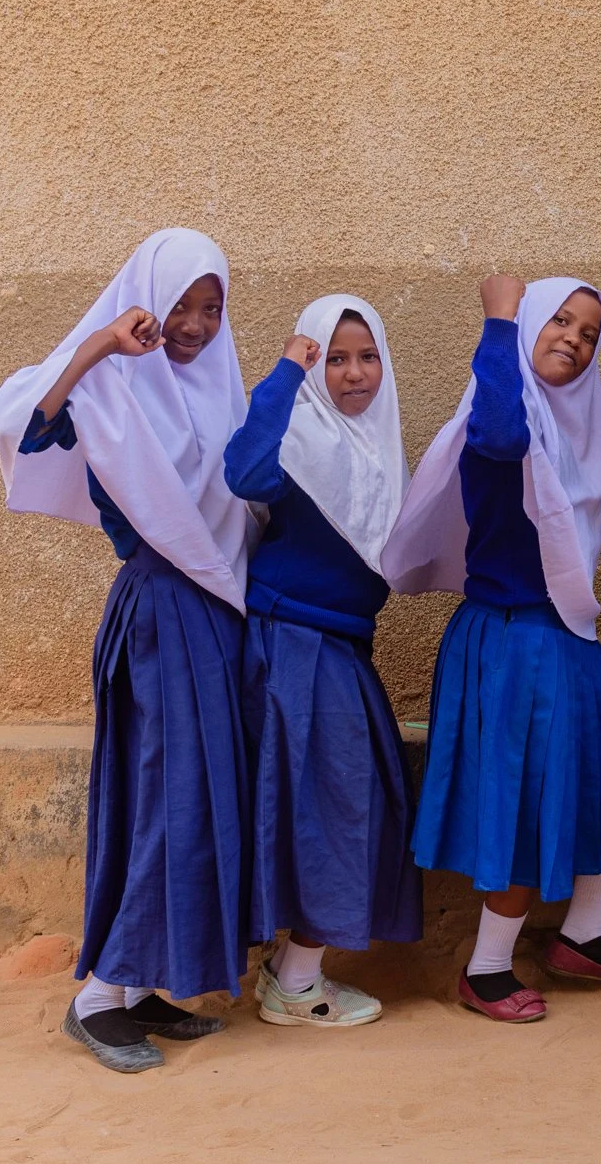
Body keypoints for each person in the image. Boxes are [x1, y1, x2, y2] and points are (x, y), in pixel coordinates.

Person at [0, 228, 253, 1073]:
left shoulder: (218, 395)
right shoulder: (108, 385)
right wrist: (102, 341)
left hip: (217, 614)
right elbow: (24, 426)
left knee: (201, 797)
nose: (194, 325)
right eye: (179, 305)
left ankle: (144, 986)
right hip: (159, 613)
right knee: (162, 797)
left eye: (211, 308)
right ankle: (100, 994)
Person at [389, 275, 601, 1025]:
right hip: (512, 639)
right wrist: (499, 320)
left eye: (588, 333)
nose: (574, 339)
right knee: (516, 809)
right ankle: (484, 968)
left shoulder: (573, 432)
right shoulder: (498, 420)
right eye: (560, 322)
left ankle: (583, 933)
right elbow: (501, 437)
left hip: (563, 634)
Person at [224, 295, 423, 1028]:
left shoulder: (380, 447)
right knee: (337, 803)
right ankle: (296, 984)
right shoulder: (299, 434)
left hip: (340, 645)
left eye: (367, 356)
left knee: (341, 803)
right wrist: (284, 372)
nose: (354, 372)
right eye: (334, 357)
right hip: (292, 646)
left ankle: (292, 970)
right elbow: (243, 471)